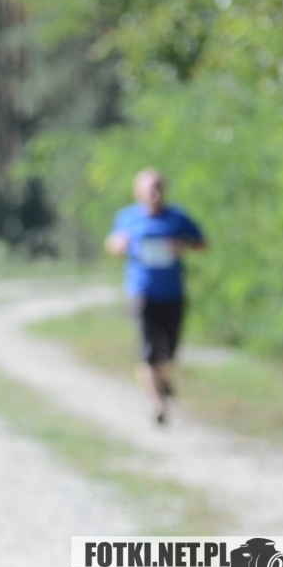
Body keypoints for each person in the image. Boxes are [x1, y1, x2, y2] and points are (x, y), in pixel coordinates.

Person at [105, 168, 205, 425]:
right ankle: (156, 405)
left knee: (169, 351)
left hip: (172, 293)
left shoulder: (177, 217)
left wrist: (182, 245)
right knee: (148, 349)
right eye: (149, 187)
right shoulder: (127, 217)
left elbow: (201, 242)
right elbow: (112, 244)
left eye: (158, 187)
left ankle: (162, 381)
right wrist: (119, 245)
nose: (154, 192)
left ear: (164, 190)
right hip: (142, 293)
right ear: (137, 191)